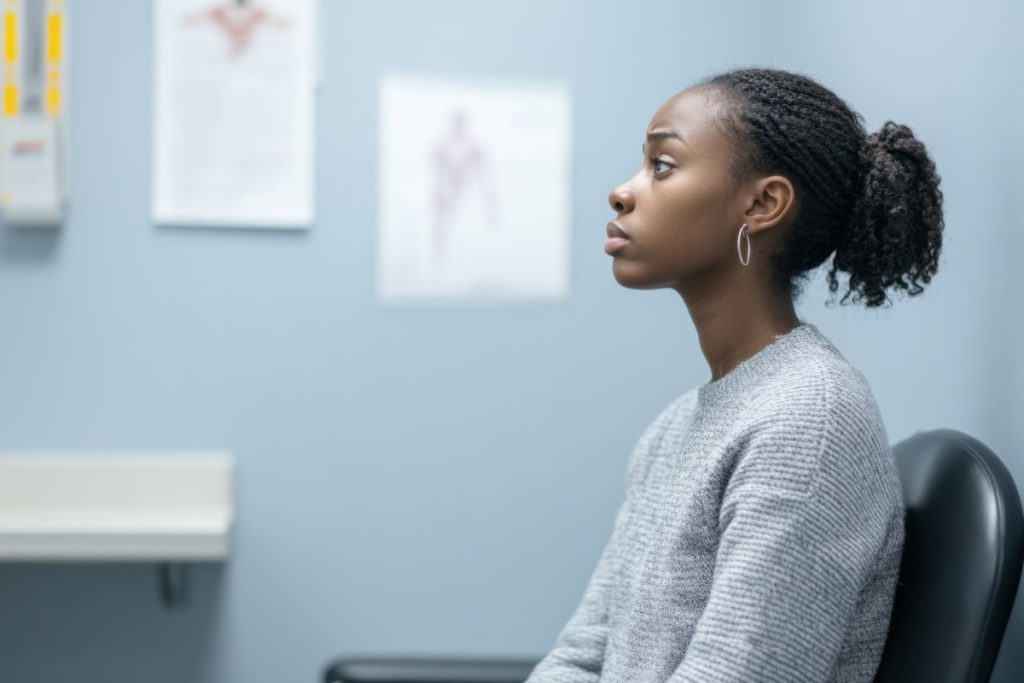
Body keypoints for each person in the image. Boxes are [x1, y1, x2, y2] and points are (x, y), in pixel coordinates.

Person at [525, 66, 944, 682]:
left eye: (660, 165)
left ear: (762, 204)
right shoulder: (673, 430)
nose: (621, 191)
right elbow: (585, 657)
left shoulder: (811, 419)